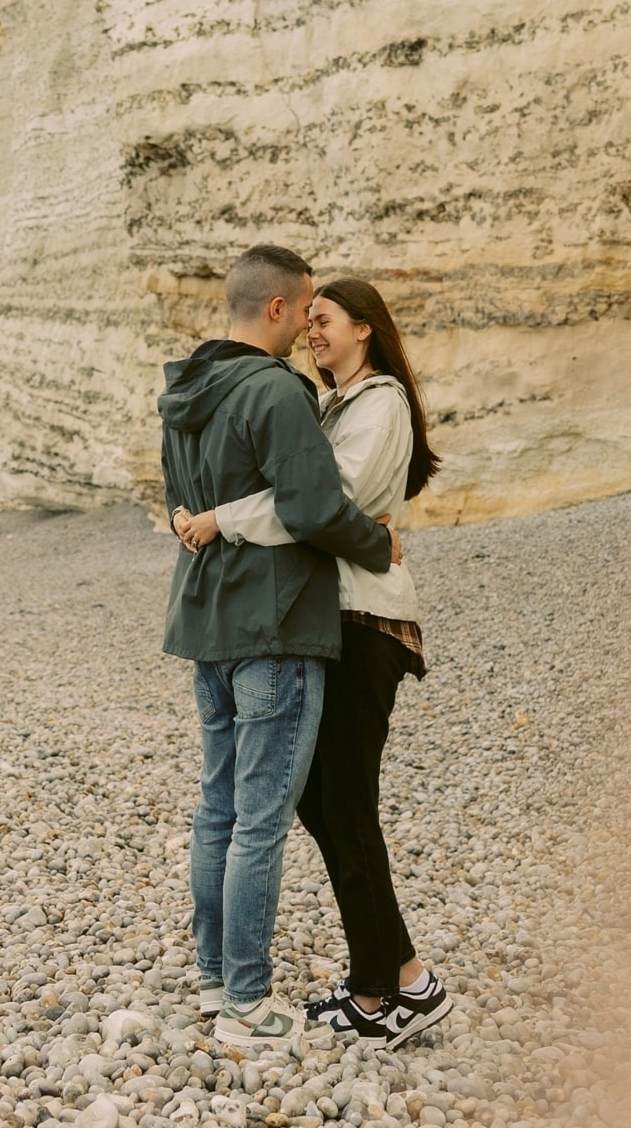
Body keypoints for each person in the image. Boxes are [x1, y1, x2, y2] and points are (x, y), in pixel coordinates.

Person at [175, 277, 451, 1047]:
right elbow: (305, 496)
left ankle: (388, 985)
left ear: (364, 329)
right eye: (310, 321)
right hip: (338, 618)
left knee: (343, 802)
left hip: (370, 621)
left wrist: (217, 518)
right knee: (325, 802)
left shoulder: (382, 403)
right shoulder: (332, 403)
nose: (311, 333)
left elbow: (319, 501)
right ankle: (399, 975)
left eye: (324, 321)